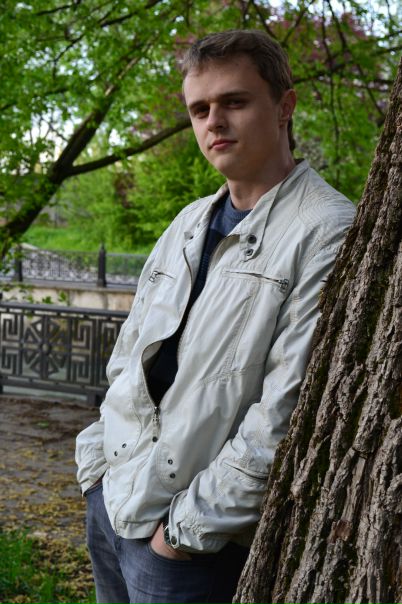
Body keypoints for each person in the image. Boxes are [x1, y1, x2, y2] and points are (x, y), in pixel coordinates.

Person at [76, 29, 355, 604]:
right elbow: (129, 356)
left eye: (234, 101)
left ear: (284, 106)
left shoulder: (327, 230)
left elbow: (286, 412)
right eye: (199, 109)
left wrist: (184, 533)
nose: (214, 122)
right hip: (113, 501)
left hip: (192, 541)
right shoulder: (188, 222)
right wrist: (96, 469)